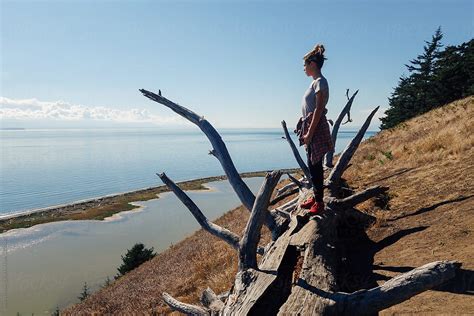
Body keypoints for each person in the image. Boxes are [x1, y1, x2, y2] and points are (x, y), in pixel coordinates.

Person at [298, 44, 334, 215]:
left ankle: (319, 202)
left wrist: (309, 133)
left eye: (305, 64)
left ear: (312, 63)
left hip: (315, 128)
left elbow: (319, 109)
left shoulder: (320, 82)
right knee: (313, 166)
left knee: (316, 166)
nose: (303, 68)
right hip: (311, 127)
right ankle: (315, 196)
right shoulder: (315, 82)